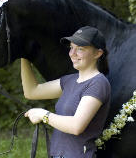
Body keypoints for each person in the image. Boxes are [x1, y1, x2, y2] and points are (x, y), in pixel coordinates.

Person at [21, 26, 111, 158]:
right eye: (71, 47)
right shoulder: (69, 81)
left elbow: (76, 126)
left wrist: (44, 115)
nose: (72, 53)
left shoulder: (98, 83)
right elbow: (32, 92)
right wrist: (25, 58)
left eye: (80, 49)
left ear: (98, 53)